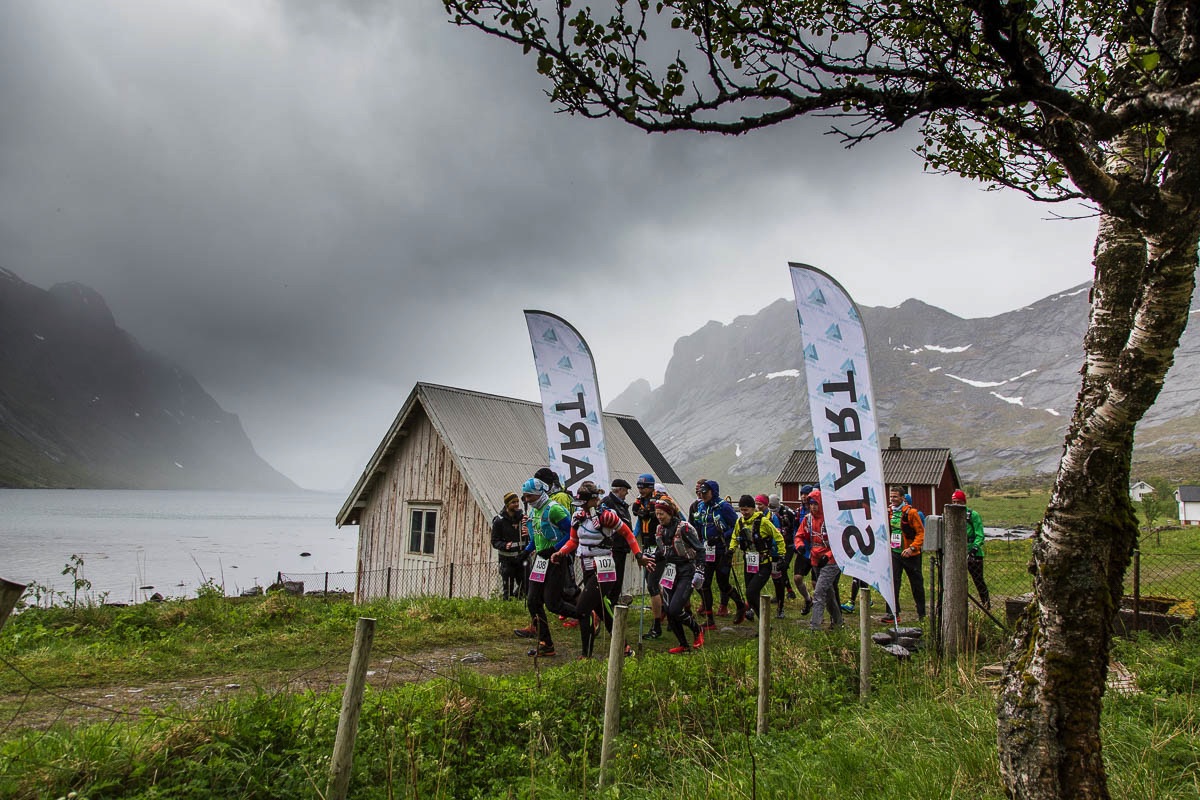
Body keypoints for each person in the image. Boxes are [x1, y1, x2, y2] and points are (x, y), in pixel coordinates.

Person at [553, 481, 651, 658]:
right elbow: (574, 541)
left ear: (593, 500)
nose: (580, 507)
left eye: (583, 503)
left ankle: (586, 654)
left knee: (582, 609)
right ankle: (625, 647)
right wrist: (560, 552)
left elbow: (628, 533)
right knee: (603, 612)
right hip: (588, 567)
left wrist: (638, 555)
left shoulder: (606, 517)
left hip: (605, 569)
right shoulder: (578, 517)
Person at [519, 477, 575, 657]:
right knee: (533, 600)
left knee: (553, 603)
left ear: (537, 494)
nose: (526, 500)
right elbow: (537, 537)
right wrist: (526, 551)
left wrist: (557, 550)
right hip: (541, 559)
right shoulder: (536, 511)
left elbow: (573, 534)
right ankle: (546, 643)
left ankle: (584, 614)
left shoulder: (554, 510)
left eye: (529, 496)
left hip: (556, 559)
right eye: (525, 497)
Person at [688, 478, 746, 628]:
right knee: (704, 584)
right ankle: (710, 620)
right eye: (701, 492)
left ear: (713, 492)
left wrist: (722, 537)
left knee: (723, 584)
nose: (702, 495)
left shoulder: (724, 507)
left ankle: (740, 605)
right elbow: (698, 525)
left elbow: (736, 526)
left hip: (721, 550)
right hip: (706, 550)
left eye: (705, 492)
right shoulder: (700, 506)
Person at [651, 496, 706, 653]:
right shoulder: (660, 530)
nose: (659, 517)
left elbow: (700, 549)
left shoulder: (683, 528)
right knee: (668, 610)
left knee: (675, 609)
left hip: (686, 570)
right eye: (657, 514)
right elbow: (661, 552)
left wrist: (700, 571)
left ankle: (697, 629)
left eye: (662, 514)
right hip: (670, 572)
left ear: (670, 513)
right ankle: (683, 644)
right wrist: (648, 559)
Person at [630, 473, 676, 639]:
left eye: (644, 487)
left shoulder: (662, 500)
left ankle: (657, 626)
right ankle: (668, 613)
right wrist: (633, 543)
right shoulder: (640, 501)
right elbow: (638, 521)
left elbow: (678, 519)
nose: (641, 490)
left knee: (652, 585)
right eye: (639, 487)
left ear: (651, 487)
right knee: (654, 584)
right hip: (646, 547)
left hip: (660, 548)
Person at [728, 494, 786, 623]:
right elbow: (734, 537)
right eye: (741, 510)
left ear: (753, 508)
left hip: (764, 564)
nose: (744, 513)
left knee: (751, 592)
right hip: (749, 563)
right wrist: (731, 550)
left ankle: (764, 623)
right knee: (751, 595)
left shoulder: (763, 521)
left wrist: (781, 555)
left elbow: (779, 537)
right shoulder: (740, 522)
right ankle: (762, 623)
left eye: (746, 510)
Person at [800, 489, 842, 631]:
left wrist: (828, 555)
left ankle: (814, 627)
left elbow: (840, 542)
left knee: (818, 593)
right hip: (815, 560)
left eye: (816, 503)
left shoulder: (831, 520)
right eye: (811, 504)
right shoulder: (808, 519)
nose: (813, 506)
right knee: (828, 593)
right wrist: (800, 546)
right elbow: (799, 535)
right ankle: (838, 622)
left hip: (831, 561)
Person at [886, 486, 925, 624]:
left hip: (911, 554)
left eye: (895, 497)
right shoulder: (889, 512)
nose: (892, 499)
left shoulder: (912, 513)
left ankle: (922, 614)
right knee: (893, 583)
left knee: (916, 584)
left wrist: (912, 548)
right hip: (895, 552)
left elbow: (921, 533)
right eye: (891, 497)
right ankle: (893, 614)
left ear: (903, 498)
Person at [953, 489, 991, 611]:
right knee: (955, 581)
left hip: (974, 554)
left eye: (959, 502)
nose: (956, 505)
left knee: (978, 581)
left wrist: (974, 548)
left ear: (964, 502)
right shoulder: (951, 515)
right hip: (958, 552)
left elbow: (980, 534)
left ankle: (986, 605)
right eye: (954, 502)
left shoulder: (973, 515)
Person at [755, 493, 791, 619]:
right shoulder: (756, 517)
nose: (758, 506)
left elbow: (777, 534)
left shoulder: (773, 517)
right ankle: (753, 606)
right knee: (757, 579)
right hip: (761, 554)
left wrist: (774, 548)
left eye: (760, 504)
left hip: (774, 554)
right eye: (757, 504)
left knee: (777, 580)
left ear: (766, 505)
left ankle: (780, 608)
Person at [600, 478, 634, 598]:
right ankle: (607, 605)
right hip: (613, 547)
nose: (627, 494)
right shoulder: (608, 502)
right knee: (611, 580)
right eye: (625, 491)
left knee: (618, 579)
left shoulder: (621, 504)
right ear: (619, 490)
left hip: (621, 547)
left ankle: (614, 604)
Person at [491, 491, 528, 601]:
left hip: (522, 558)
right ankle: (508, 607)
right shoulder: (499, 521)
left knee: (526, 584)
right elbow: (494, 541)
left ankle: (519, 602)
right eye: (513, 502)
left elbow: (530, 536)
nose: (516, 504)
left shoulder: (523, 519)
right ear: (507, 504)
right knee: (508, 587)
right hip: (506, 560)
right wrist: (504, 545)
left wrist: (528, 534)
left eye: (517, 502)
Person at [792, 484, 815, 615]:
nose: (804, 496)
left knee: (815, 583)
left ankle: (818, 610)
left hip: (816, 551)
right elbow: (795, 529)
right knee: (797, 578)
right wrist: (797, 544)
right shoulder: (799, 512)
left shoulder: (817, 510)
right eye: (802, 494)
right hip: (803, 550)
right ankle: (808, 599)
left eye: (806, 494)